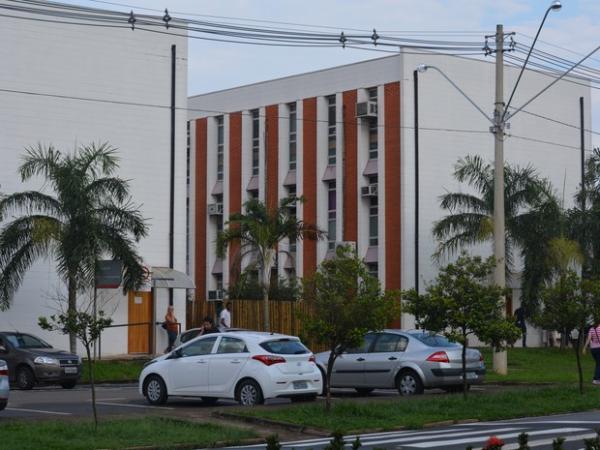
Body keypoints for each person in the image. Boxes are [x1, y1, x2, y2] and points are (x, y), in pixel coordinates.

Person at [583, 319, 600, 385]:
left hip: (593, 349)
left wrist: (584, 348)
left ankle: (598, 378)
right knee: (599, 364)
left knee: (598, 363)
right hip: (599, 348)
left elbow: (589, 339)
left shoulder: (591, 329)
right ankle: (596, 379)